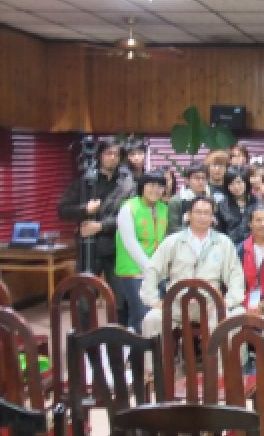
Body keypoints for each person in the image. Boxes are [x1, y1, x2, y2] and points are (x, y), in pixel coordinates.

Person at [140, 196, 246, 344]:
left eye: (207, 213)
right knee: (151, 320)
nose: (202, 217)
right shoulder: (173, 241)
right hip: (177, 305)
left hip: (210, 306)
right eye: (198, 212)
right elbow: (153, 269)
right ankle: (160, 360)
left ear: (212, 217)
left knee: (230, 322)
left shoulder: (223, 242)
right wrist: (153, 300)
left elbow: (236, 275)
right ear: (189, 215)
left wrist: (228, 301)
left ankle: (217, 360)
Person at [58, 137, 135, 326]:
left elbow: (129, 217)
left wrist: (101, 226)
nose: (112, 157)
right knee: (84, 300)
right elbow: (63, 210)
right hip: (88, 250)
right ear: (100, 155)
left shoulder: (127, 184)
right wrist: (84, 210)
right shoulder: (84, 182)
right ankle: (84, 339)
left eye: (116, 154)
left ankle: (119, 338)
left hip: (117, 249)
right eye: (108, 153)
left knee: (121, 301)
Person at [114, 171, 167, 333]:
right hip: (133, 270)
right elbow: (130, 242)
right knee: (140, 315)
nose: (155, 190)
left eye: (160, 186)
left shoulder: (163, 208)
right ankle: (137, 348)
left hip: (157, 271)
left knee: (157, 315)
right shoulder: (128, 208)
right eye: (151, 185)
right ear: (142, 187)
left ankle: (145, 347)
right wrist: (150, 268)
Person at [167, 163, 210, 234]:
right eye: (197, 178)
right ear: (187, 180)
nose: (201, 182)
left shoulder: (210, 199)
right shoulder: (176, 201)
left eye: (203, 178)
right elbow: (173, 229)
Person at [216, 167, 255, 243]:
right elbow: (220, 231)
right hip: (230, 245)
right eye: (231, 184)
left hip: (254, 245)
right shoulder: (222, 206)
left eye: (239, 182)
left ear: (246, 182)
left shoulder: (257, 203)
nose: (236, 187)